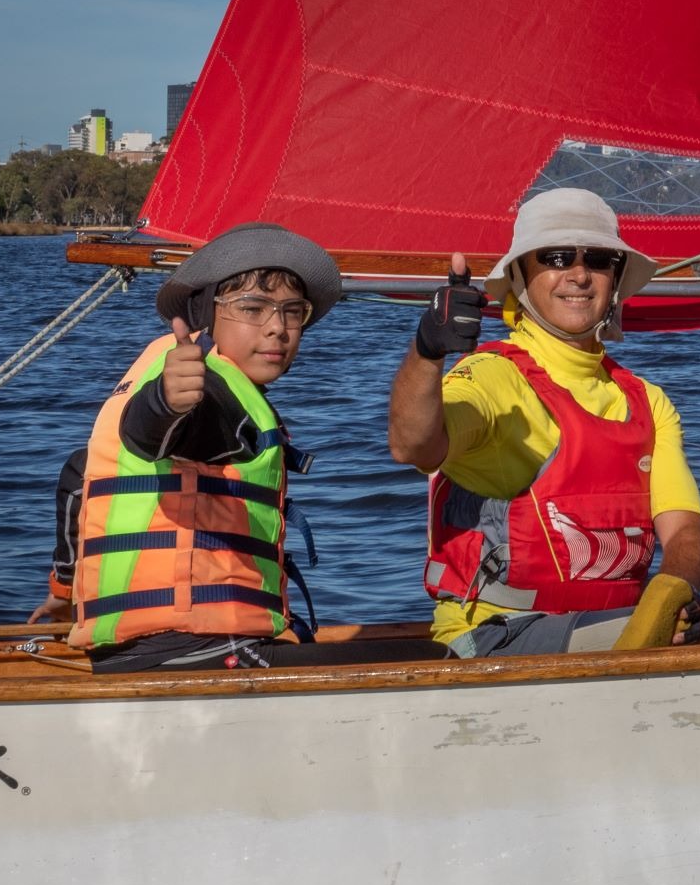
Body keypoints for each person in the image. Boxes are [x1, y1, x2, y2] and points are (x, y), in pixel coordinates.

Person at [388, 188, 700, 656]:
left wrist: (670, 596)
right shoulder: (492, 376)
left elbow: (684, 531)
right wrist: (428, 351)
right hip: (496, 635)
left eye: (598, 259)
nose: (579, 275)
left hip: (606, 626)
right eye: (557, 258)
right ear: (520, 276)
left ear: (615, 278)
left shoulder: (647, 401)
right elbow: (413, 446)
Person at [70, 222, 445, 671]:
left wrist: (61, 592)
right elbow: (150, 433)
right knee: (445, 660)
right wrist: (166, 402)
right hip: (198, 650)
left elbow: (77, 473)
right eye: (253, 308)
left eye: (292, 311)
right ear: (205, 315)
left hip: (137, 655)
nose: (277, 329)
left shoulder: (151, 374)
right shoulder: (208, 390)